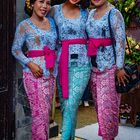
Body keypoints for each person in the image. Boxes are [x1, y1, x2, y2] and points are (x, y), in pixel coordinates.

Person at [12, 0, 57, 139]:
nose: (45, 6)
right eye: (41, 1)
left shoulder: (52, 22)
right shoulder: (24, 26)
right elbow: (15, 49)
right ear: (31, 3)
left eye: (48, 3)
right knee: (39, 115)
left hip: (50, 74)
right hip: (34, 76)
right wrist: (30, 63)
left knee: (45, 115)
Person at [86, 0, 128, 139]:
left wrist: (119, 67)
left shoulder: (114, 13)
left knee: (107, 111)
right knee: (99, 109)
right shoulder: (91, 13)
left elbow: (120, 41)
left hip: (109, 69)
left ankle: (108, 137)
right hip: (93, 69)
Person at [50, 0, 91, 139]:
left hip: (83, 64)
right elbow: (44, 29)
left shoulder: (87, 13)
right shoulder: (54, 10)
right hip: (61, 62)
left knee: (71, 104)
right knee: (65, 106)